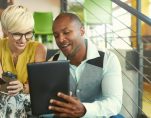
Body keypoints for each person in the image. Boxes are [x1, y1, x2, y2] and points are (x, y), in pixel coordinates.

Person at [48, 13, 123, 118]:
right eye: (56, 35)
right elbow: (47, 106)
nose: (60, 39)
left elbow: (114, 103)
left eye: (66, 32)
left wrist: (84, 110)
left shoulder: (108, 59)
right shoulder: (52, 64)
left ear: (82, 31)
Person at [0, 5, 47, 117]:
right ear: (5, 30)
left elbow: (36, 86)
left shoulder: (38, 49)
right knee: (8, 99)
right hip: (3, 97)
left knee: (12, 100)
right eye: (17, 34)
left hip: (28, 98)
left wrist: (22, 88)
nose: (23, 40)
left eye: (28, 33)